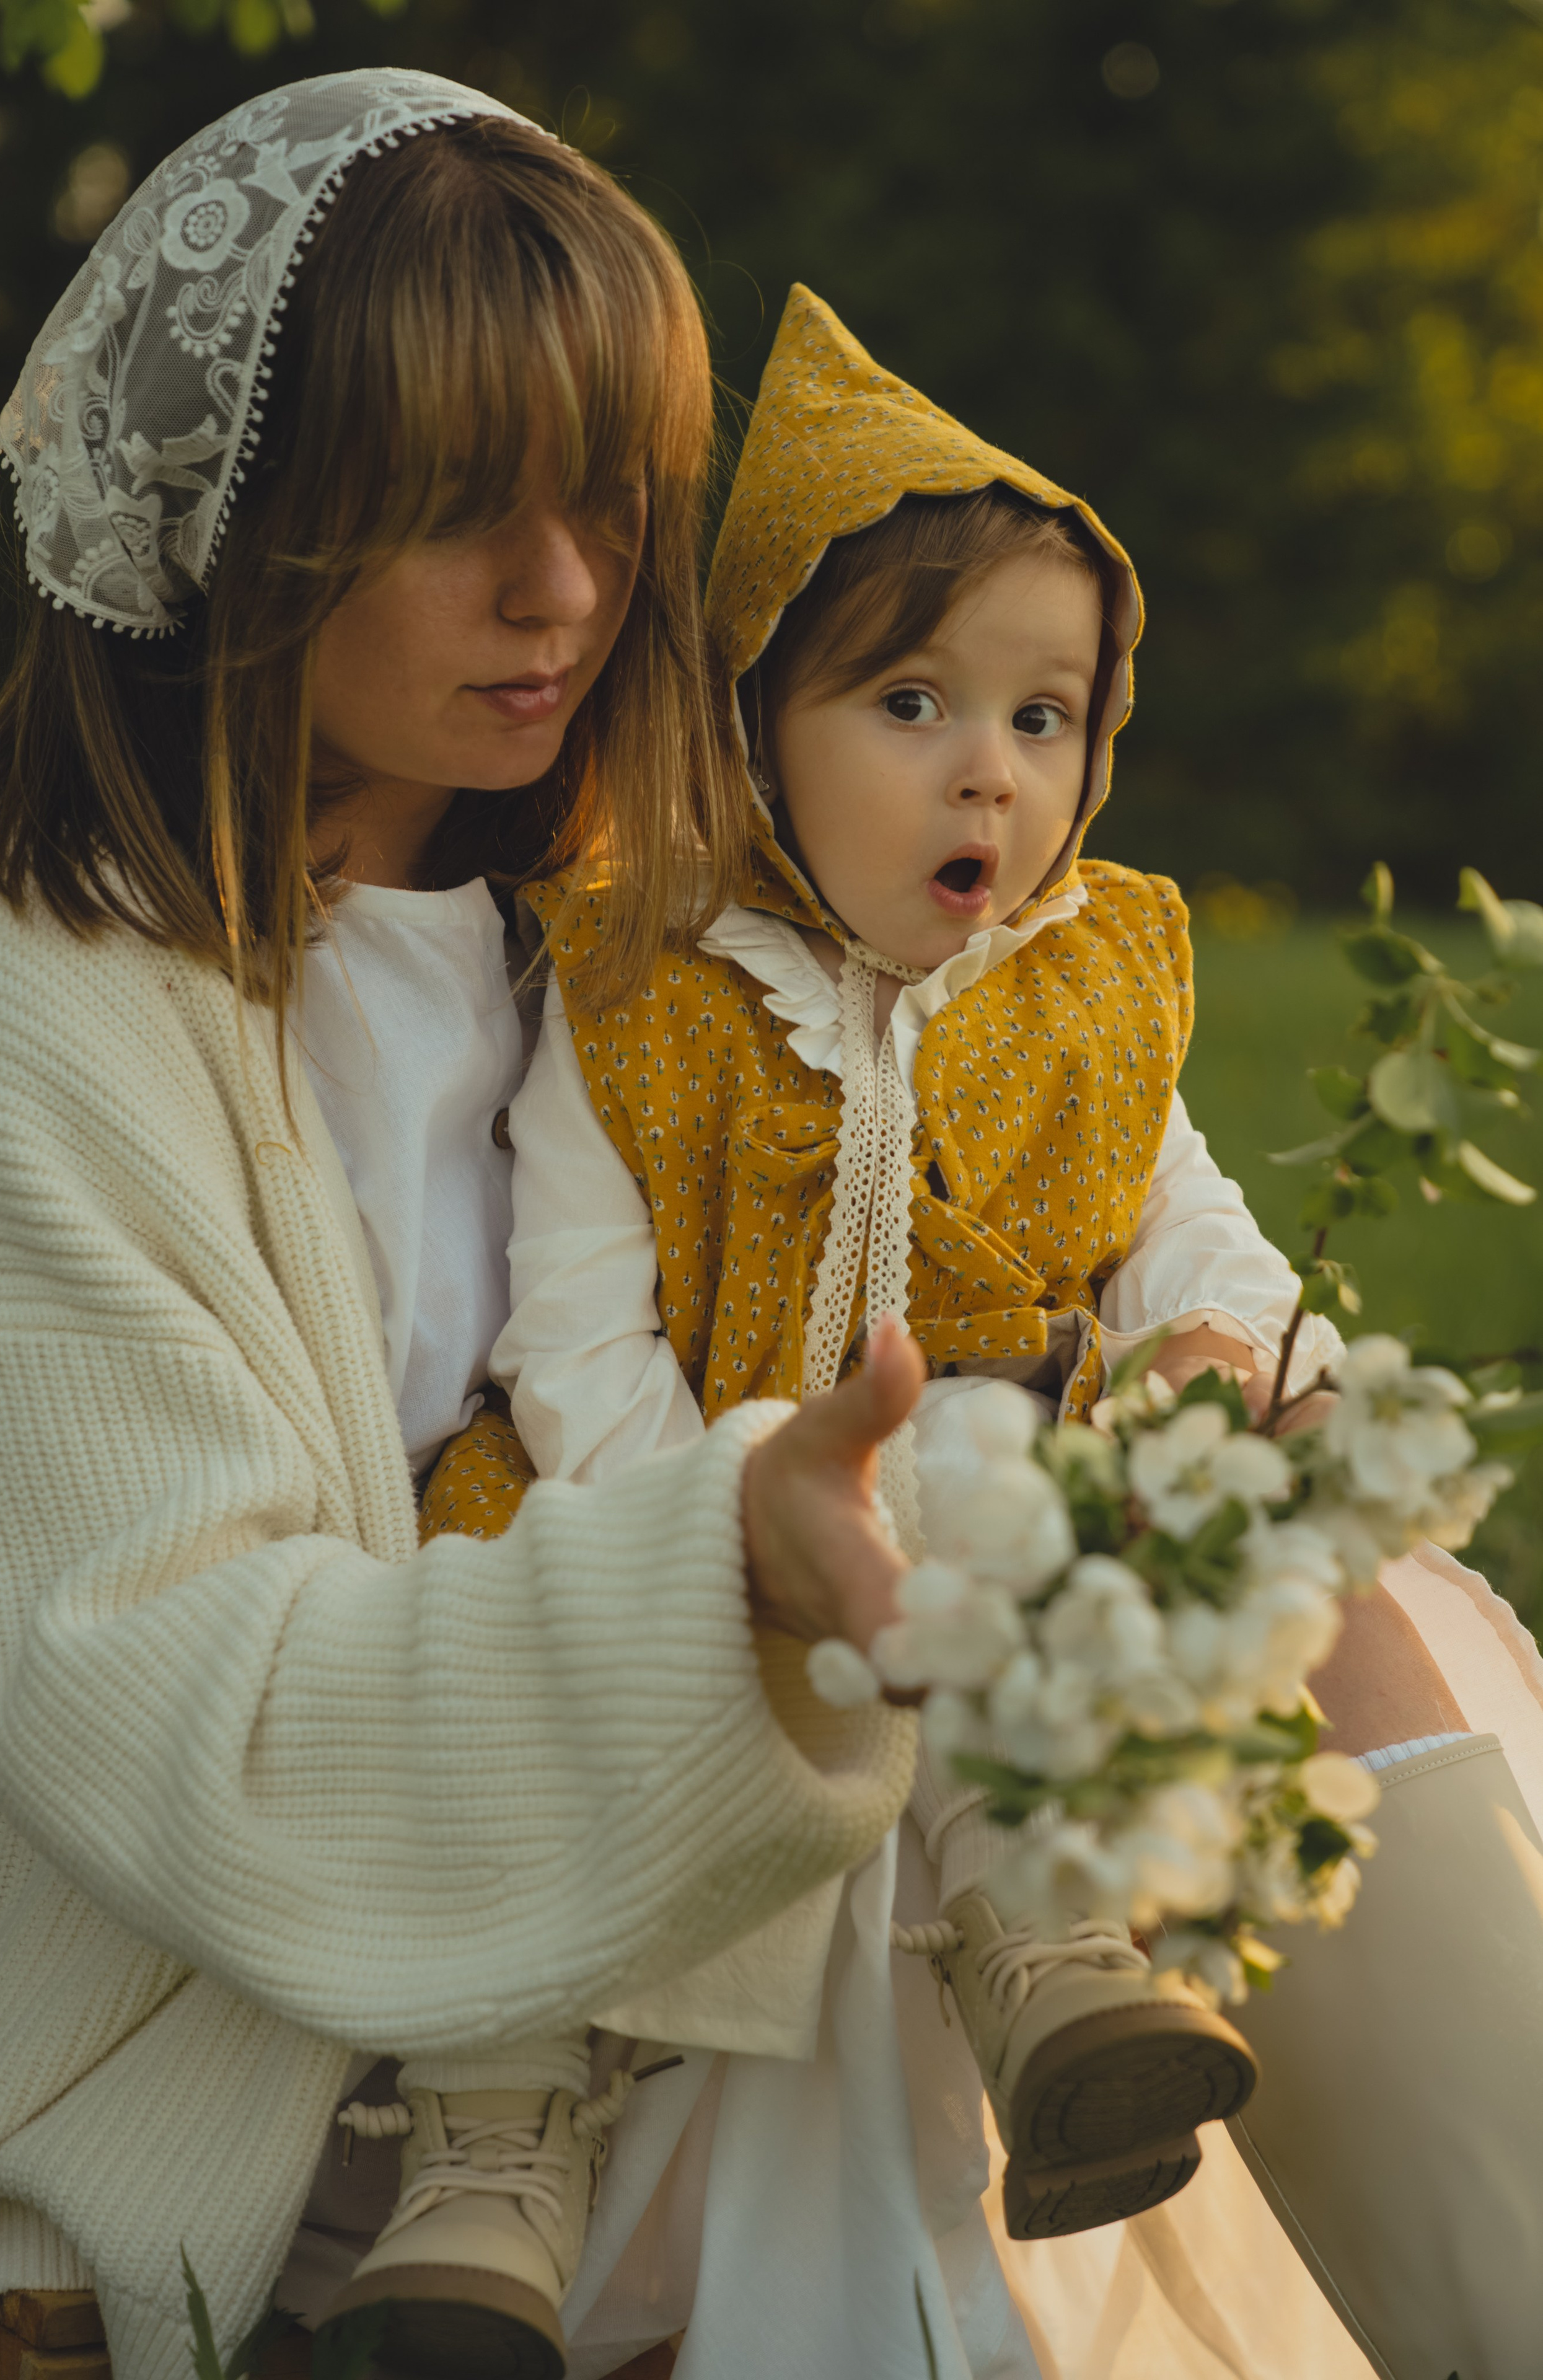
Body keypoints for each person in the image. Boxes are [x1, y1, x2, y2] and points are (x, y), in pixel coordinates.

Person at [423, 289, 1543, 2380]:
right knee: (497, 1667)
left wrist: (1219, 1356)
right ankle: (489, 2143)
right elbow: (573, 1337)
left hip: (1004, 1544)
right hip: (694, 1536)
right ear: (756, 719)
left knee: (1084, 1512)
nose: (993, 775)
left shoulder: (1087, 989)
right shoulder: (644, 996)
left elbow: (1199, 1243)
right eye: (914, 703)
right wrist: (720, 1543)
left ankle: (1058, 1961)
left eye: (1048, 721)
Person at [0, 81, 926, 2380]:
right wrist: (729, 1587)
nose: (566, 592)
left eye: (605, 498)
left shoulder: (615, 958)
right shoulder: (26, 1008)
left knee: (1330, 1645)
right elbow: (204, 1710)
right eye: (448, 514)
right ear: (233, 520)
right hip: (268, 2048)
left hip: (627, 1958)